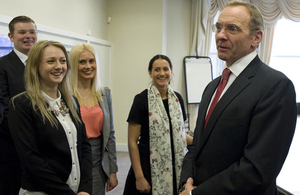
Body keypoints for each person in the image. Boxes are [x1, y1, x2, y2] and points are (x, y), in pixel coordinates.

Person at [179, 1, 297, 195]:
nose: (220, 36)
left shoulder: (275, 87)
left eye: (232, 29)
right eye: (218, 27)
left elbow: (257, 169)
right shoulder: (212, 87)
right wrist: (186, 182)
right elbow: (196, 147)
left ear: (256, 37)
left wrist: (196, 193)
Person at [8, 40, 92, 195]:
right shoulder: (22, 104)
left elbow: (84, 147)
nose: (58, 66)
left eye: (63, 61)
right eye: (50, 61)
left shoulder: (71, 101)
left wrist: (85, 188)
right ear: (36, 66)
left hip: (76, 190)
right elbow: (31, 159)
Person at [123, 54, 192, 195]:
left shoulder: (178, 99)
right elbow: (132, 141)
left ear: (171, 72)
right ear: (150, 73)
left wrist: (201, 141)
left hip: (176, 166)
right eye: (157, 69)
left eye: (166, 69)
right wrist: (139, 177)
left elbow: (178, 133)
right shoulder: (141, 100)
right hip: (148, 166)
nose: (162, 73)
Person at [69, 43, 118, 195]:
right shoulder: (65, 94)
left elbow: (110, 134)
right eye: (82, 62)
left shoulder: (104, 93)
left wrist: (113, 170)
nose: (88, 66)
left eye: (91, 61)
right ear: (73, 65)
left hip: (97, 159)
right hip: (72, 156)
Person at [0, 15, 38, 195]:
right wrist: (27, 133)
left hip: (43, 142)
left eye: (32, 32)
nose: (28, 36)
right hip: (13, 143)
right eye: (22, 32)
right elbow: (4, 105)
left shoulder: (44, 65)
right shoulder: (2, 65)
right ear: (11, 36)